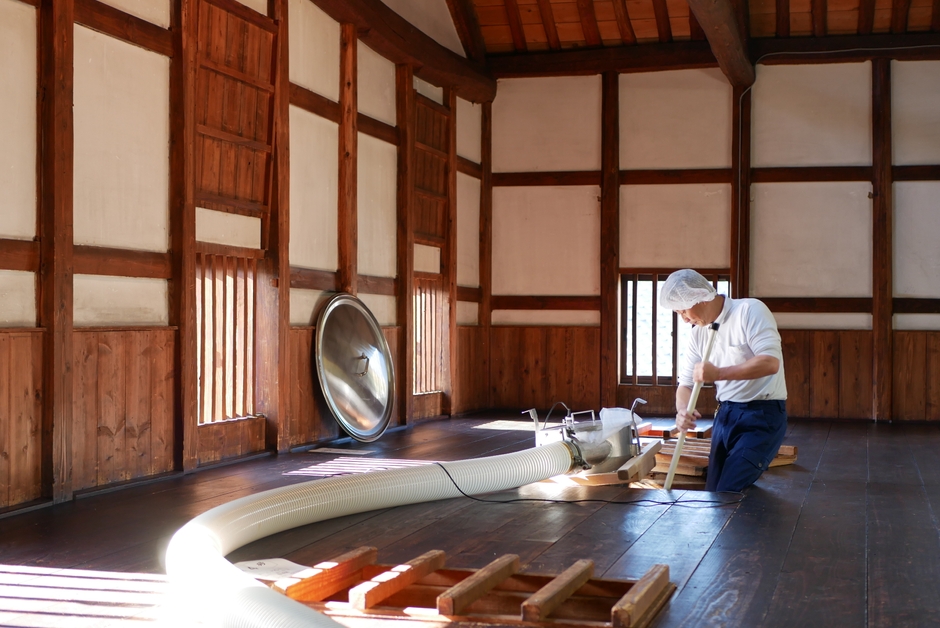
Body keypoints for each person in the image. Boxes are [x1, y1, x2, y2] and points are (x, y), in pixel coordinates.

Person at [660, 269, 788, 492]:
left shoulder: (749, 310)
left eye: (683, 311)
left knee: (728, 491)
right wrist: (682, 410)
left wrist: (718, 373)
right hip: (725, 416)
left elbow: (770, 363)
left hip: (761, 415)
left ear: (699, 297)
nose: (684, 319)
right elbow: (685, 385)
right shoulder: (698, 334)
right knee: (713, 493)